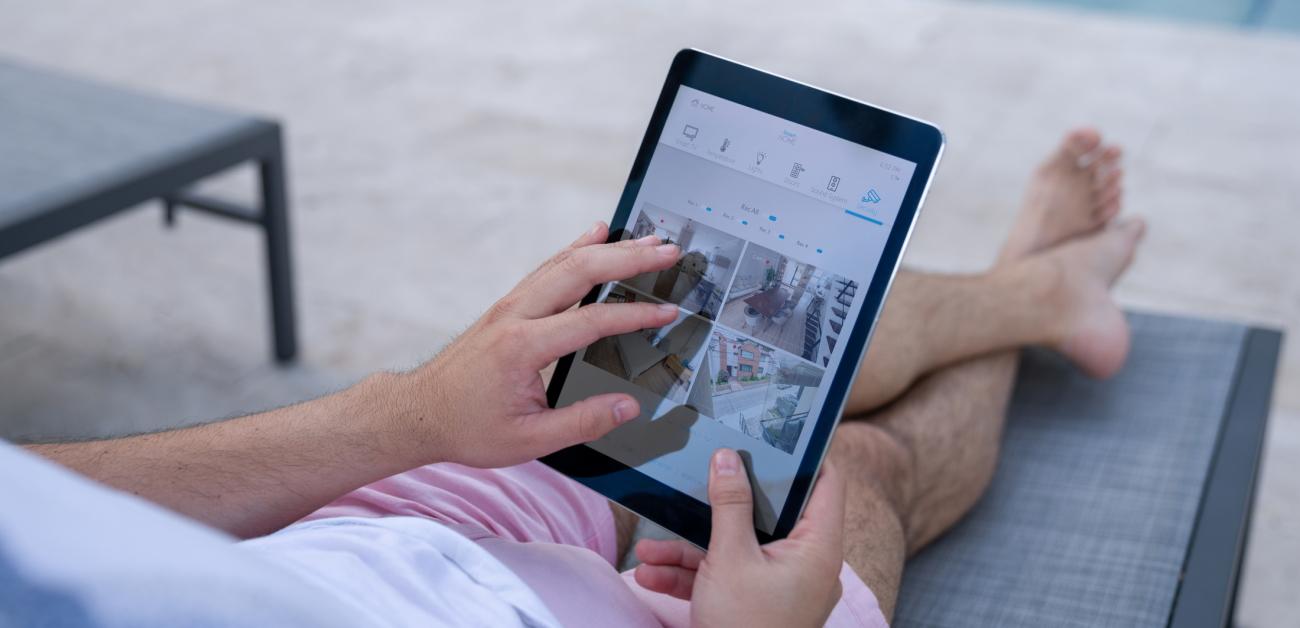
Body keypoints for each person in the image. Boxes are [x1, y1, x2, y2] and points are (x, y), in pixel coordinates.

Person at [4, 128, 1141, 627]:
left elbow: (38, 503)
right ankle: (1028, 280)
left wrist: (403, 414)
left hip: (339, 551)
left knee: (706, 334)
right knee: (846, 466)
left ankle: (1041, 297)